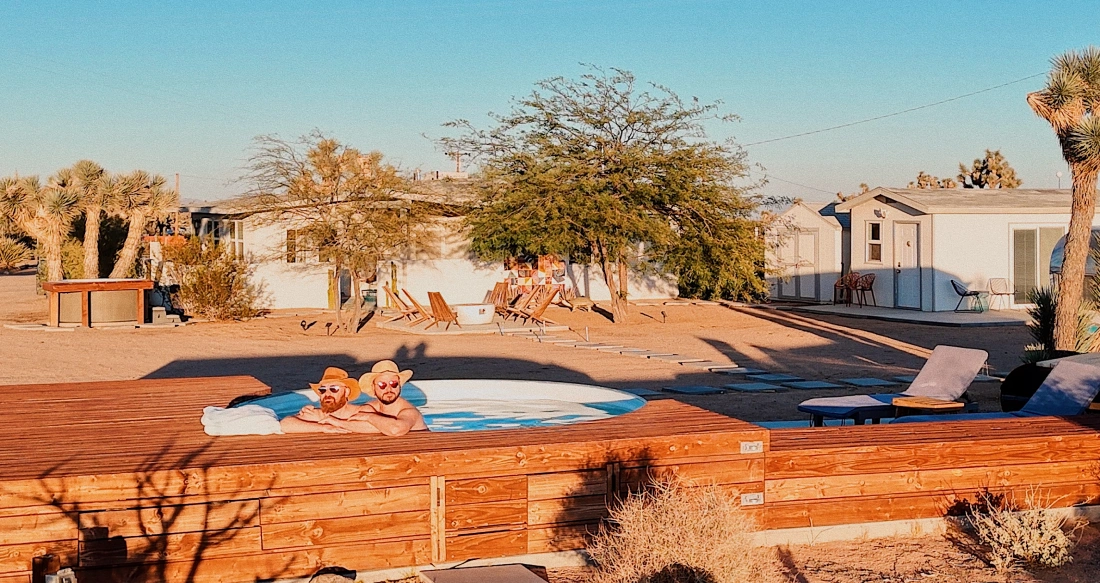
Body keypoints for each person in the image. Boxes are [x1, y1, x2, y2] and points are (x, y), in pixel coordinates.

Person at [319, 360, 428, 436]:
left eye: (393, 384)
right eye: (382, 385)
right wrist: (318, 413)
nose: (388, 389)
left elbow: (395, 430)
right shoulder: (370, 407)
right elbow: (352, 419)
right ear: (373, 388)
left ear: (400, 385)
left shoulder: (409, 411)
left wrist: (369, 417)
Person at [280, 367, 369, 434]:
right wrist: (323, 428)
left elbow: (376, 426)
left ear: (346, 392)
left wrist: (337, 423)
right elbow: (285, 424)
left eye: (334, 389)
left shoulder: (361, 411)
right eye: (323, 390)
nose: (327, 394)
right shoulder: (318, 415)